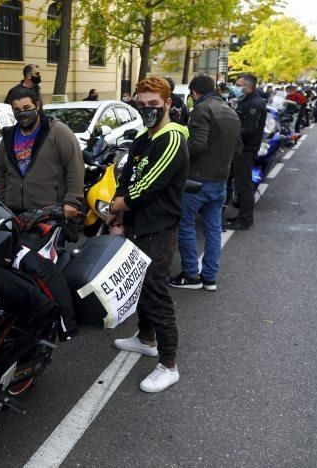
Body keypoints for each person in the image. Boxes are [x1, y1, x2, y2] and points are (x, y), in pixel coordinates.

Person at [107, 76, 189, 393]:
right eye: (141, 105)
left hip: (160, 227)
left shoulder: (171, 139)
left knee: (156, 292)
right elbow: (127, 176)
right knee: (139, 285)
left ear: (168, 103)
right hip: (139, 225)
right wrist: (120, 213)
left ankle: (169, 365)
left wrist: (118, 205)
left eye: (154, 105)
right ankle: (146, 338)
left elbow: (148, 186)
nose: (148, 110)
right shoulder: (144, 136)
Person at [169, 75, 241, 291]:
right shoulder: (230, 111)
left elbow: (197, 143)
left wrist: (176, 155)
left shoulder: (202, 109)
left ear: (194, 92)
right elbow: (238, 148)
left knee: (186, 226)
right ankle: (209, 277)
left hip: (197, 179)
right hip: (221, 180)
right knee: (213, 229)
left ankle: (191, 276)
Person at [0, 87, 84, 220]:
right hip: (14, 213)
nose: (22, 113)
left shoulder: (57, 131)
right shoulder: (9, 136)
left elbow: (75, 166)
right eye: (17, 110)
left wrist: (72, 201)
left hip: (49, 213)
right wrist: (3, 199)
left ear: (37, 105)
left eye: (27, 107)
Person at [224, 73, 266, 231]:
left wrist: (228, 132)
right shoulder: (246, 101)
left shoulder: (254, 104)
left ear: (248, 87)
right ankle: (242, 216)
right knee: (240, 183)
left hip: (246, 149)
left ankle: (245, 219)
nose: (235, 87)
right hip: (240, 148)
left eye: (238, 85)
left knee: (244, 185)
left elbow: (248, 130)